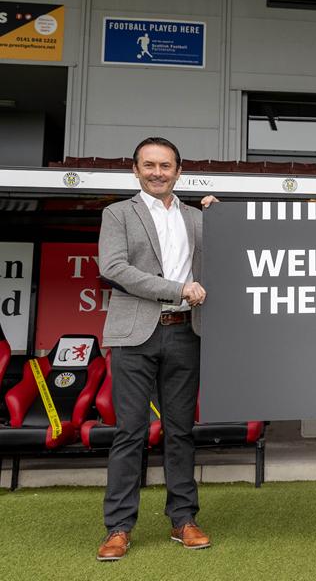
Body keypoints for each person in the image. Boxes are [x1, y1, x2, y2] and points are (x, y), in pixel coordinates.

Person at [96, 137, 217, 561]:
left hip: (186, 332)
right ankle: (118, 528)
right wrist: (176, 288)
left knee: (181, 431)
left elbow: (230, 256)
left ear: (178, 171)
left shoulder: (198, 217)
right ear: (135, 169)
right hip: (135, 335)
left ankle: (183, 519)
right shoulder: (117, 214)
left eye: (165, 166)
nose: (157, 172)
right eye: (149, 165)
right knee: (129, 432)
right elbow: (113, 268)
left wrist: (225, 219)